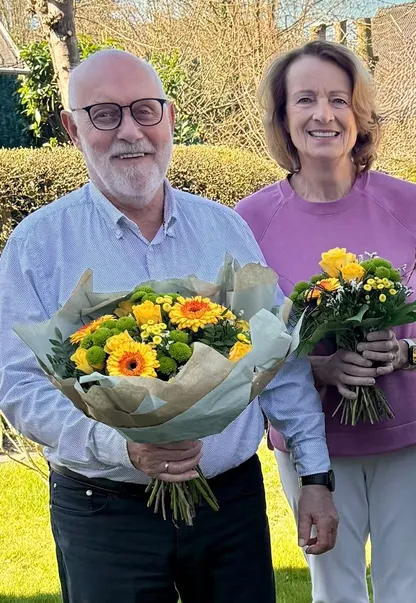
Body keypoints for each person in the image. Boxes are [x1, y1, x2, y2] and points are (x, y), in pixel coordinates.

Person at [0, 49, 338, 603]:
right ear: (72, 129)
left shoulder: (224, 229)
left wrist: (316, 476)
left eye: (145, 110)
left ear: (171, 118)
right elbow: (19, 385)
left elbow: (277, 362)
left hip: (228, 508)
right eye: (104, 114)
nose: (130, 131)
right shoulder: (37, 246)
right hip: (105, 514)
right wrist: (119, 445)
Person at [235, 40, 416, 603]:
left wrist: (404, 353)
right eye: (305, 99)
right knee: (335, 589)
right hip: (311, 441)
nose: (324, 114)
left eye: (339, 99)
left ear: (360, 115)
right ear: (283, 117)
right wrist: (322, 368)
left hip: (406, 431)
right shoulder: (250, 220)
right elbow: (244, 349)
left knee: (405, 586)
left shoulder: (410, 204)